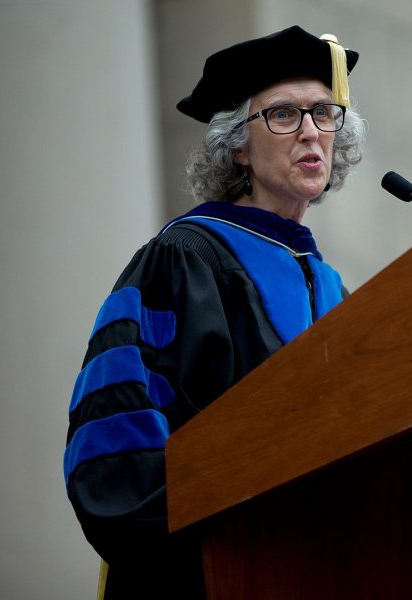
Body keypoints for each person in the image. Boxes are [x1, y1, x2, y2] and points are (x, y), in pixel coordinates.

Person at [63, 25, 366, 598]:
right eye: (283, 115)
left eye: (325, 114)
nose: (311, 132)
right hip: (206, 570)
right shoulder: (183, 258)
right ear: (236, 145)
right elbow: (117, 435)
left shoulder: (334, 290)